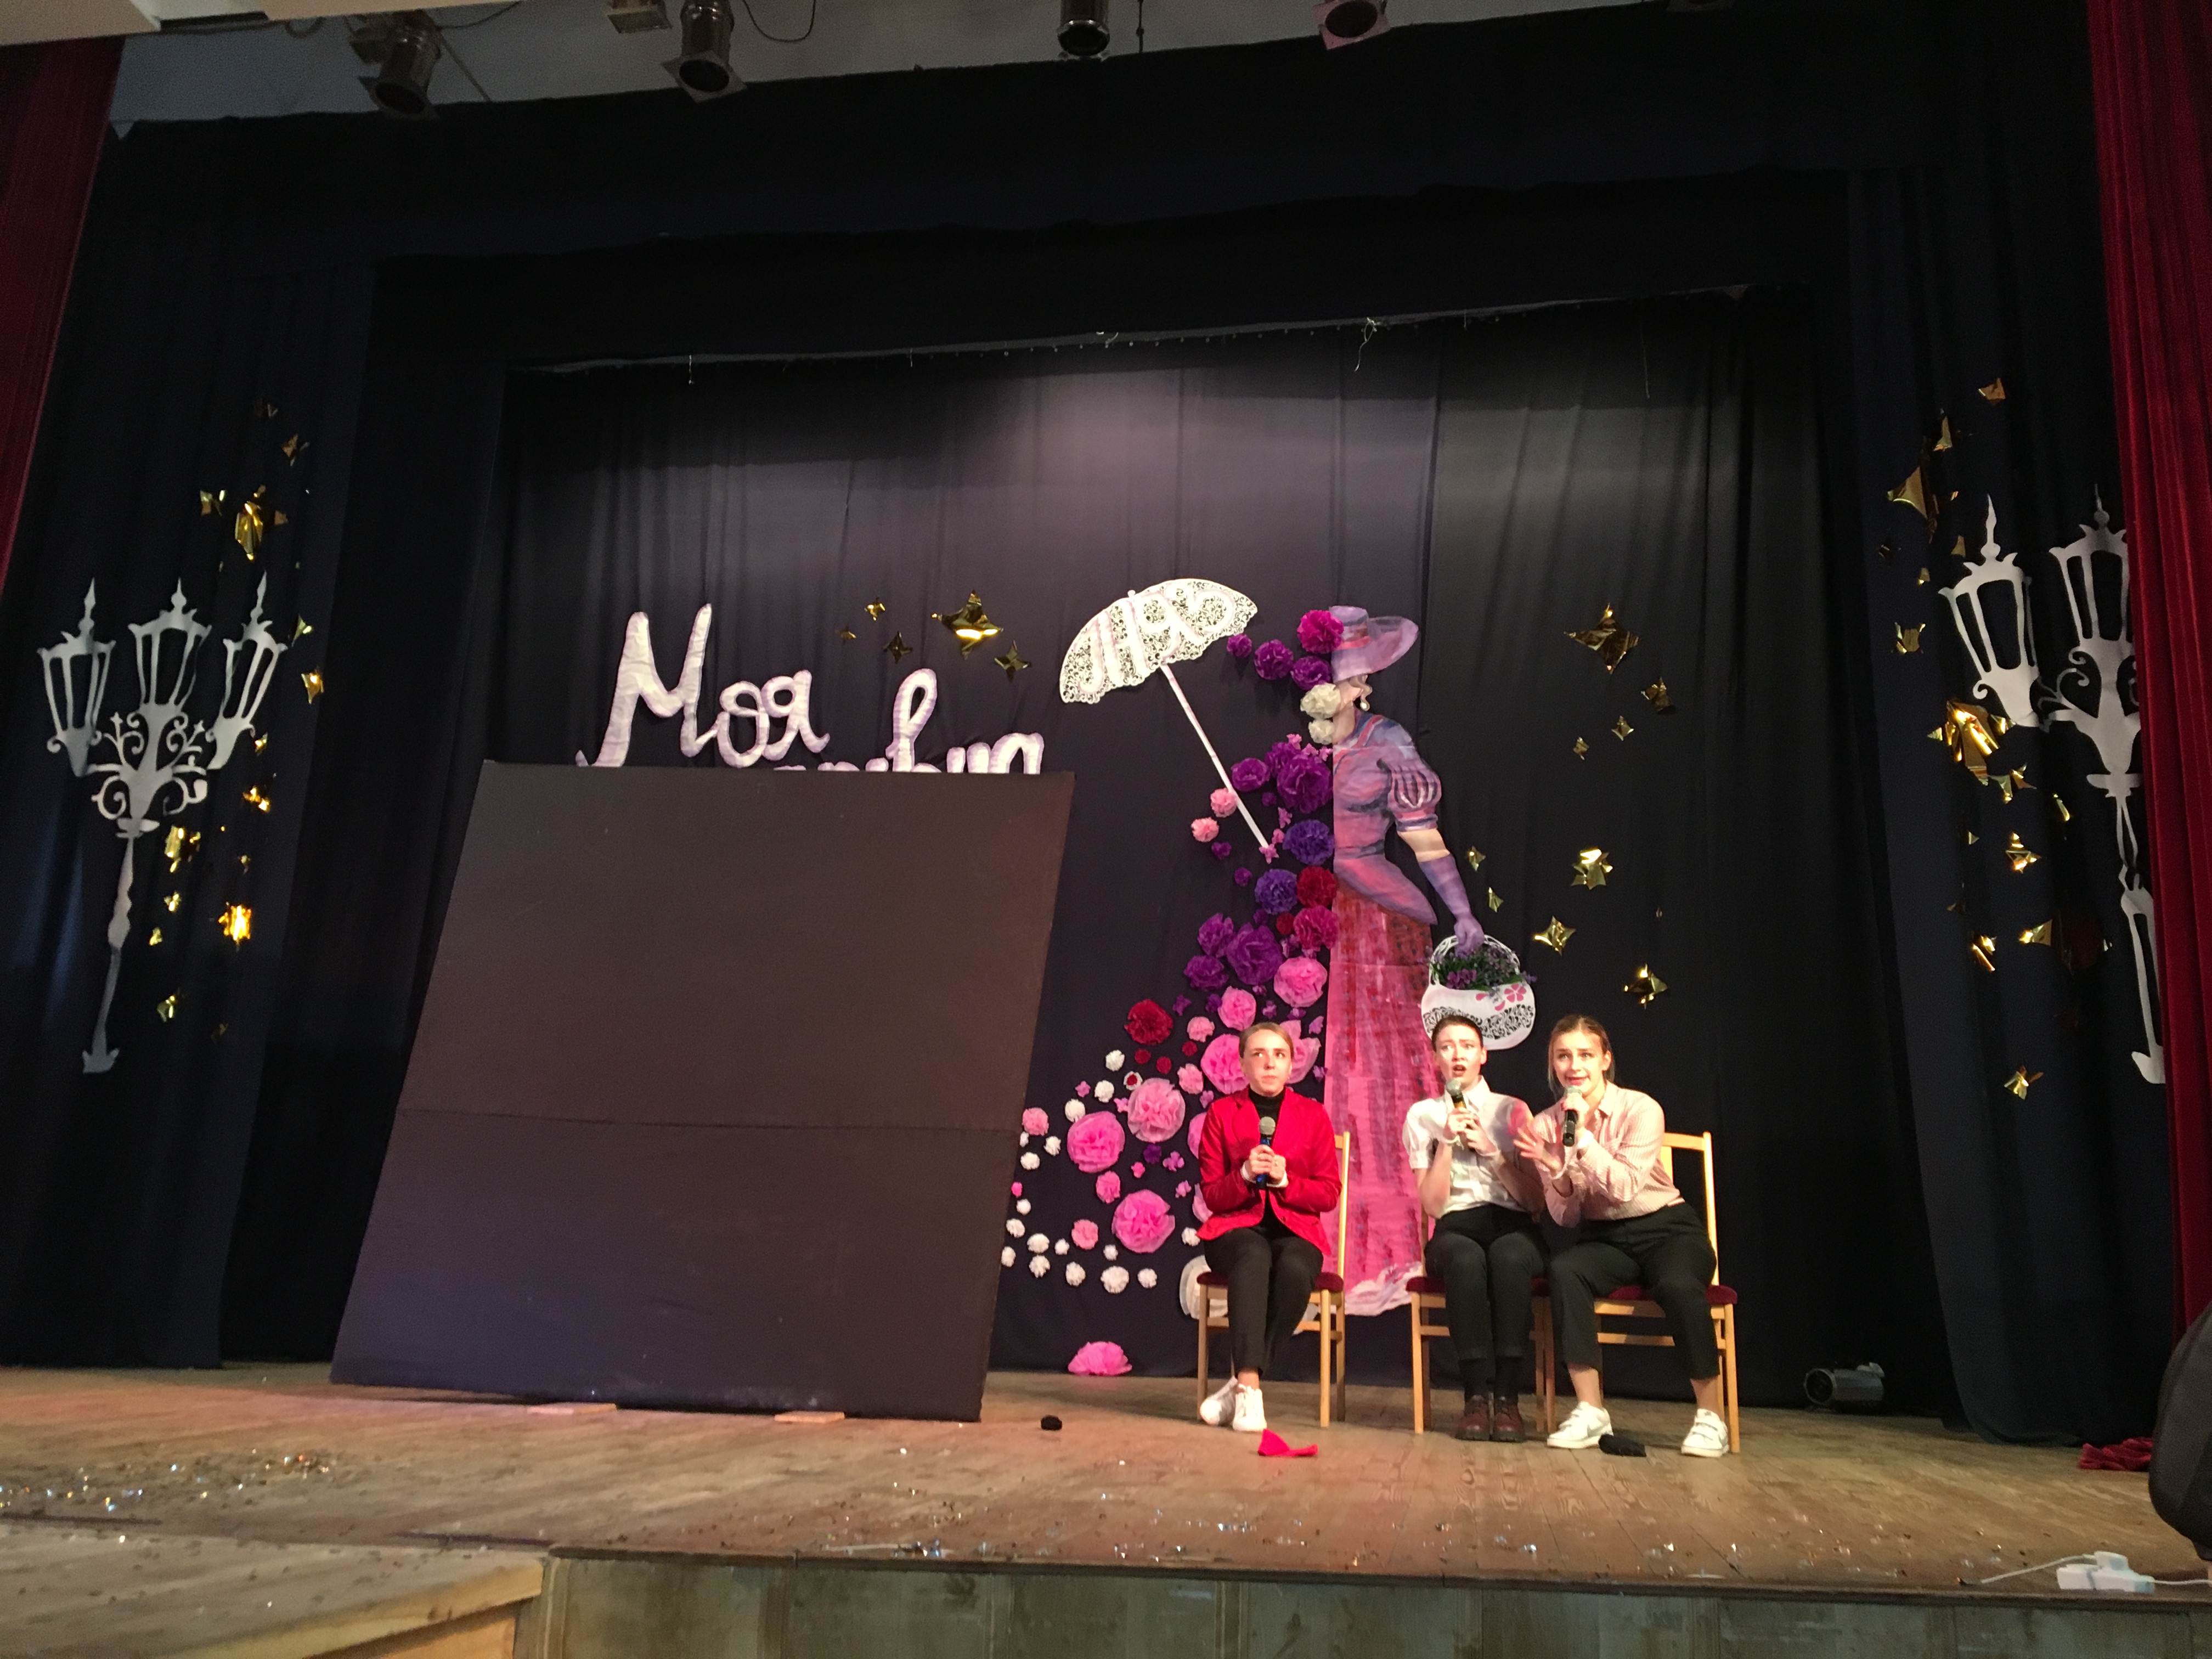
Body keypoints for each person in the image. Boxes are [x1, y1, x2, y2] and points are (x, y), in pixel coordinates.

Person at [1304, 605, 1486, 1318]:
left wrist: (1462, 910)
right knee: (1334, 1064)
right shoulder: (1303, 747)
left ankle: (1395, 1236)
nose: (1354, 686)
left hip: (1378, 918)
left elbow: (1425, 839)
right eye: (1344, 676)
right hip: (1320, 917)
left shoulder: (1388, 743)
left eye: (1355, 676)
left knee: (1379, 1069)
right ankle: (1335, 1238)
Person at [1511, 1015, 1729, 1458]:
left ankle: (1711, 1417)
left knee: (1677, 1285)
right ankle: (1591, 1410)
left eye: (1585, 1055)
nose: (1575, 1066)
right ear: (1553, 1065)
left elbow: (1627, 1186)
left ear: (1605, 1060)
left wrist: (1582, 1142)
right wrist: (1557, 1172)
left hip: (1667, 1229)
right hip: (1607, 1237)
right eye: (1563, 1056)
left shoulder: (1640, 1109)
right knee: (1565, 1270)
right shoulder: (1545, 1125)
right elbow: (1565, 1218)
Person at [1195, 1020, 1344, 1433]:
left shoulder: (1312, 1115)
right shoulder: (1222, 1113)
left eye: (1279, 1055)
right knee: (1253, 1255)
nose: (1269, 1063)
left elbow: (1328, 1194)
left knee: (1295, 1269)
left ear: (1291, 1065)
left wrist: (1285, 1181)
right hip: (1235, 1229)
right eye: (1258, 1055)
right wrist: (1244, 1174)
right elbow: (1213, 1195)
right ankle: (1249, 1388)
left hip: (1296, 1228)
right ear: (1243, 1064)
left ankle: (1241, 1386)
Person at [1404, 1012, 1545, 1441]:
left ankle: (1507, 1399)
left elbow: (1535, 1201)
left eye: (1467, 1046)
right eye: (1447, 1047)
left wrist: (1491, 1152)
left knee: (1509, 1257)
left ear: (1483, 1055)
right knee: (1465, 1259)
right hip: (1456, 1226)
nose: (1457, 1055)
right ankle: (1475, 1398)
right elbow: (1432, 1205)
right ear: (1435, 1059)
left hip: (1511, 1222)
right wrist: (1447, 1142)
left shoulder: (1512, 1110)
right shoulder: (1423, 1115)